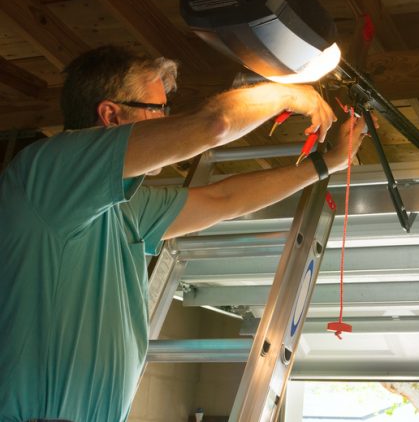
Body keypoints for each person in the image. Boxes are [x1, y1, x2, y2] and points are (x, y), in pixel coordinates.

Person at [0, 45, 367, 422]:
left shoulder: (124, 207)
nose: (165, 120)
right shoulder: (48, 174)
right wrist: (289, 92)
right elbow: (214, 125)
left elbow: (223, 199)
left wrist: (324, 164)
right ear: (110, 114)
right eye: (157, 110)